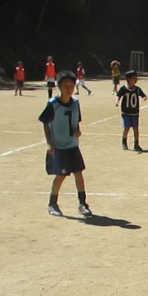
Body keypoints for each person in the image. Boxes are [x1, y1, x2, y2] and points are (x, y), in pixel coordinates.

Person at [41, 70, 92, 217]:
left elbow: (76, 120)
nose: (68, 88)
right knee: (60, 175)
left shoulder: (75, 103)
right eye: (65, 85)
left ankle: (83, 203)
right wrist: (49, 142)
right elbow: (45, 122)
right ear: (59, 86)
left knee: (79, 173)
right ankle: (52, 203)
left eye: (71, 85)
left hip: (73, 145)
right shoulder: (53, 104)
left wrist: (78, 130)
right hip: (59, 146)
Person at [116, 70, 147, 151]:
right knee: (126, 127)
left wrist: (144, 98)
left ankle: (136, 144)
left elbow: (143, 95)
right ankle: (124, 142)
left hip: (135, 112)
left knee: (135, 128)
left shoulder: (137, 89)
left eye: (136, 78)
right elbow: (118, 96)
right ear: (128, 79)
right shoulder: (123, 88)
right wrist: (117, 102)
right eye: (134, 78)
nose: (136, 80)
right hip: (126, 112)